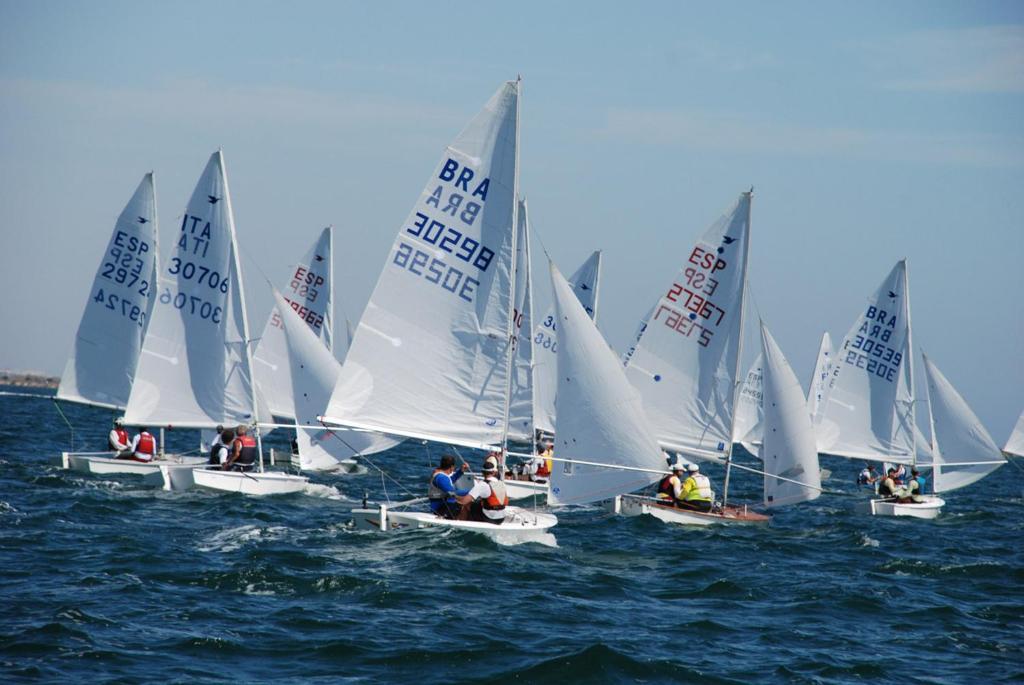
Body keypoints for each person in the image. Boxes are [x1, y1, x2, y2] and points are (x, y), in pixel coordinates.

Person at [457, 456, 508, 525]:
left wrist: (455, 497)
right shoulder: (501, 483)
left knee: (467, 504)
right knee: (478, 504)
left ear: (482, 472)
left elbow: (463, 501)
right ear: (494, 472)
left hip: (490, 518)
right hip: (501, 518)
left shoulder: (482, 485)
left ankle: (460, 524)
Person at [428, 455, 470, 519]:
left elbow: (449, 482)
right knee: (468, 496)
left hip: (441, 504)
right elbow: (452, 493)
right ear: (452, 467)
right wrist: (471, 492)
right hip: (440, 508)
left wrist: (461, 471)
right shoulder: (441, 478)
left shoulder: (441, 475)